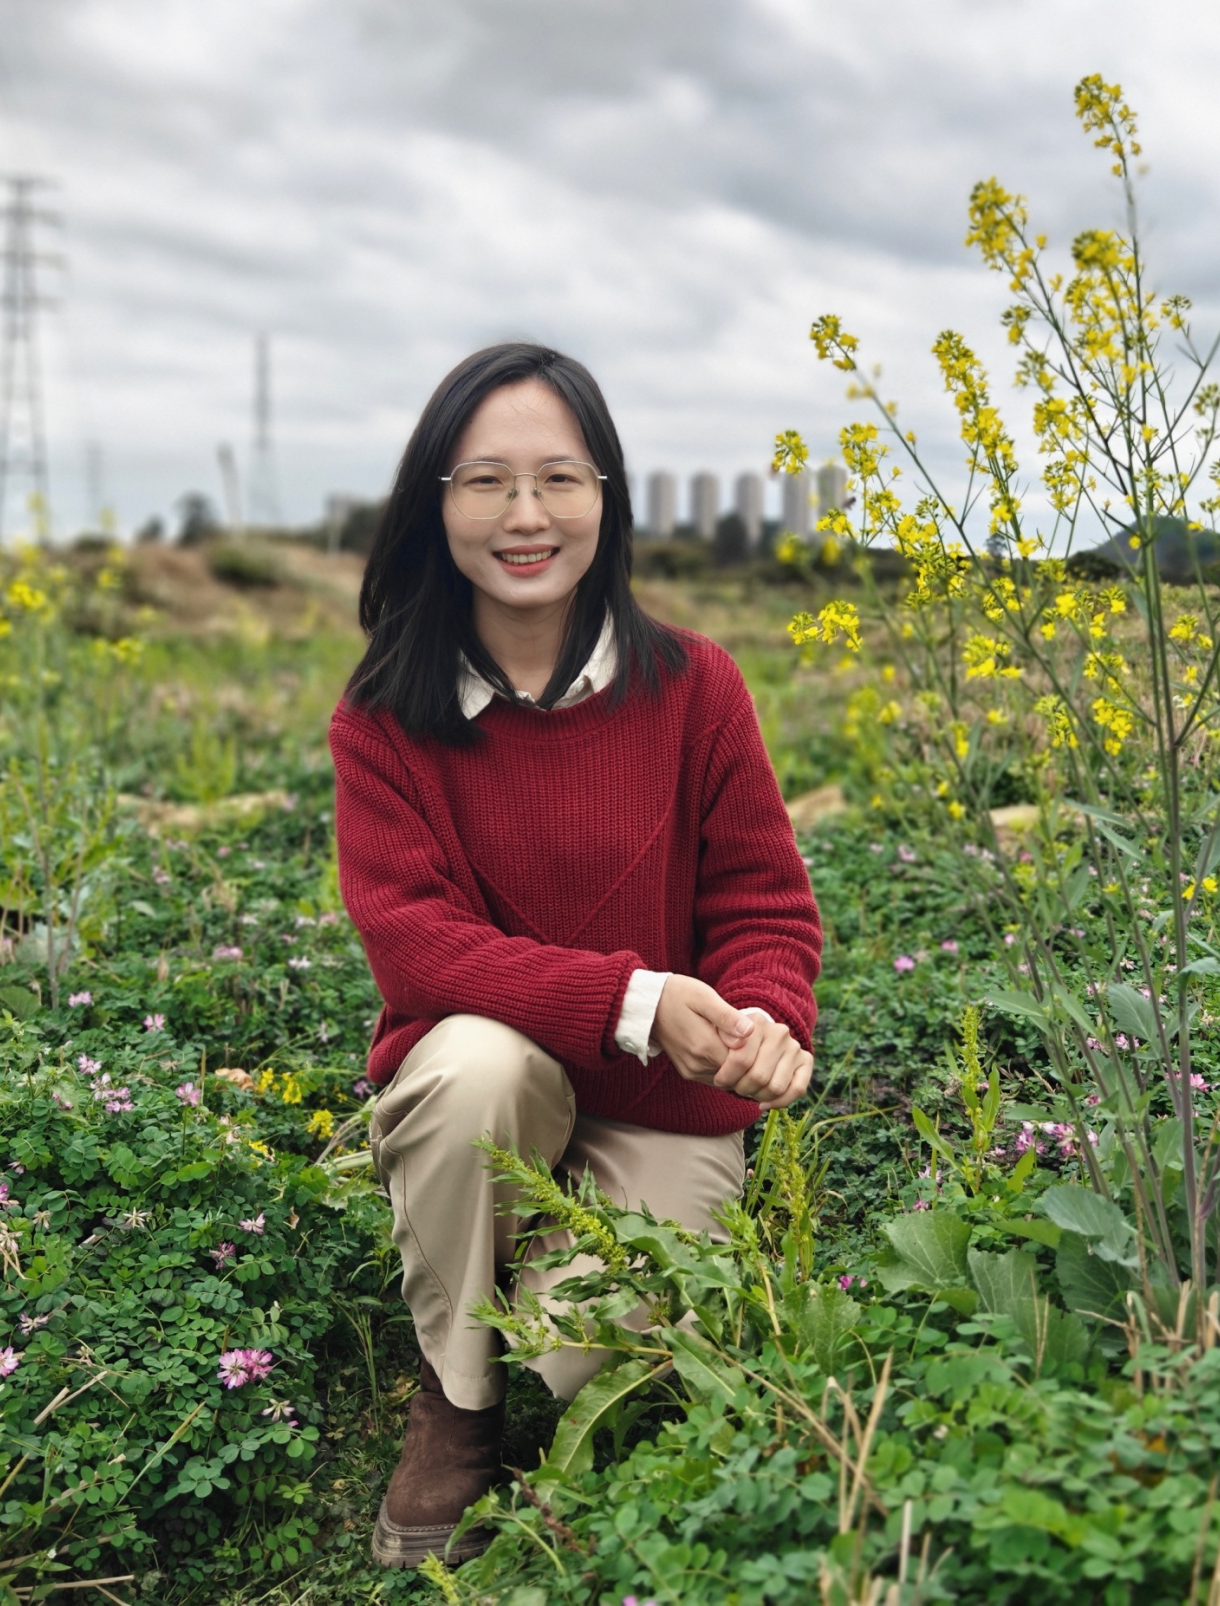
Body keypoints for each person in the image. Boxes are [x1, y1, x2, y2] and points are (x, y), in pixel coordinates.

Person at [328, 342, 822, 1569]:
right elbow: (415, 947)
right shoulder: (387, 716)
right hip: (503, 1082)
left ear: (607, 496)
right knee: (473, 1067)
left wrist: (761, 1017)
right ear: (433, 505)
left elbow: (765, 903)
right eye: (484, 481)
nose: (526, 515)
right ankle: (454, 1401)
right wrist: (634, 999)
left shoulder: (695, 687)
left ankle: (512, 1323)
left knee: (586, 1348)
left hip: (664, 1106)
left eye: (560, 477)